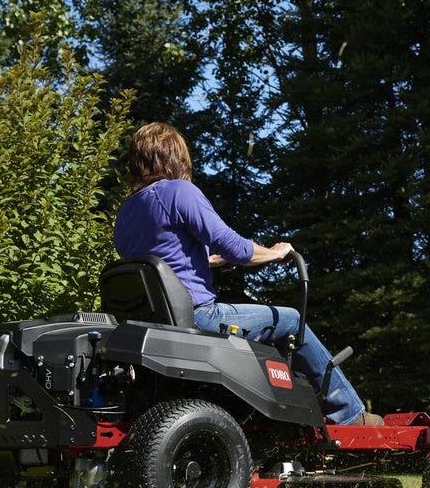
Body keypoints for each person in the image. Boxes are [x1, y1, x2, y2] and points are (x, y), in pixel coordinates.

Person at [113, 122, 382, 426]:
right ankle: (349, 414)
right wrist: (273, 252)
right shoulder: (178, 191)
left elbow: (161, 263)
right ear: (176, 156)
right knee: (292, 320)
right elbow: (236, 247)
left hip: (155, 326)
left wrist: (209, 262)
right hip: (197, 318)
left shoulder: (127, 212)